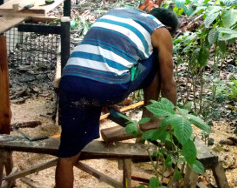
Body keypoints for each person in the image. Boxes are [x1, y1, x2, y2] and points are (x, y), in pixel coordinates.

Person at [55, 8, 178, 188]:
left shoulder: (118, 13)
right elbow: (168, 85)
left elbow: (104, 55)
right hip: (108, 85)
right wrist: (172, 117)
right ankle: (149, 119)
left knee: (67, 156)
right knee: (158, 61)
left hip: (70, 81)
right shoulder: (160, 30)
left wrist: (104, 100)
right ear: (167, 27)